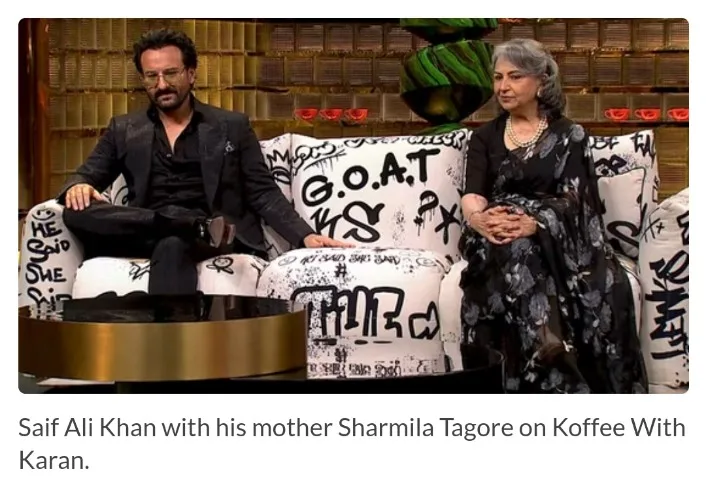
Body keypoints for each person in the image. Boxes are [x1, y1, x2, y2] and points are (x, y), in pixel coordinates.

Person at [58, 29, 350, 295]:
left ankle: (169, 333)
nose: (161, 85)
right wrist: (79, 186)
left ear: (191, 73)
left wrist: (305, 236)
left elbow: (262, 191)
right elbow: (86, 175)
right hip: (147, 229)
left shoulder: (231, 126)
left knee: (172, 244)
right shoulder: (124, 129)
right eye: (151, 76)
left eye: (170, 73)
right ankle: (184, 224)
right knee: (75, 212)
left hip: (212, 236)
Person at [459, 39, 646, 393]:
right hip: (495, 228)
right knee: (511, 246)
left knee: (525, 250)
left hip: (550, 230)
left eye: (515, 76)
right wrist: (478, 220)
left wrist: (537, 223)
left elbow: (576, 198)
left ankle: (546, 364)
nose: (503, 86)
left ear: (541, 82)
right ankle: (554, 366)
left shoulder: (569, 135)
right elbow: (472, 194)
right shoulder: (484, 138)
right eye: (498, 77)